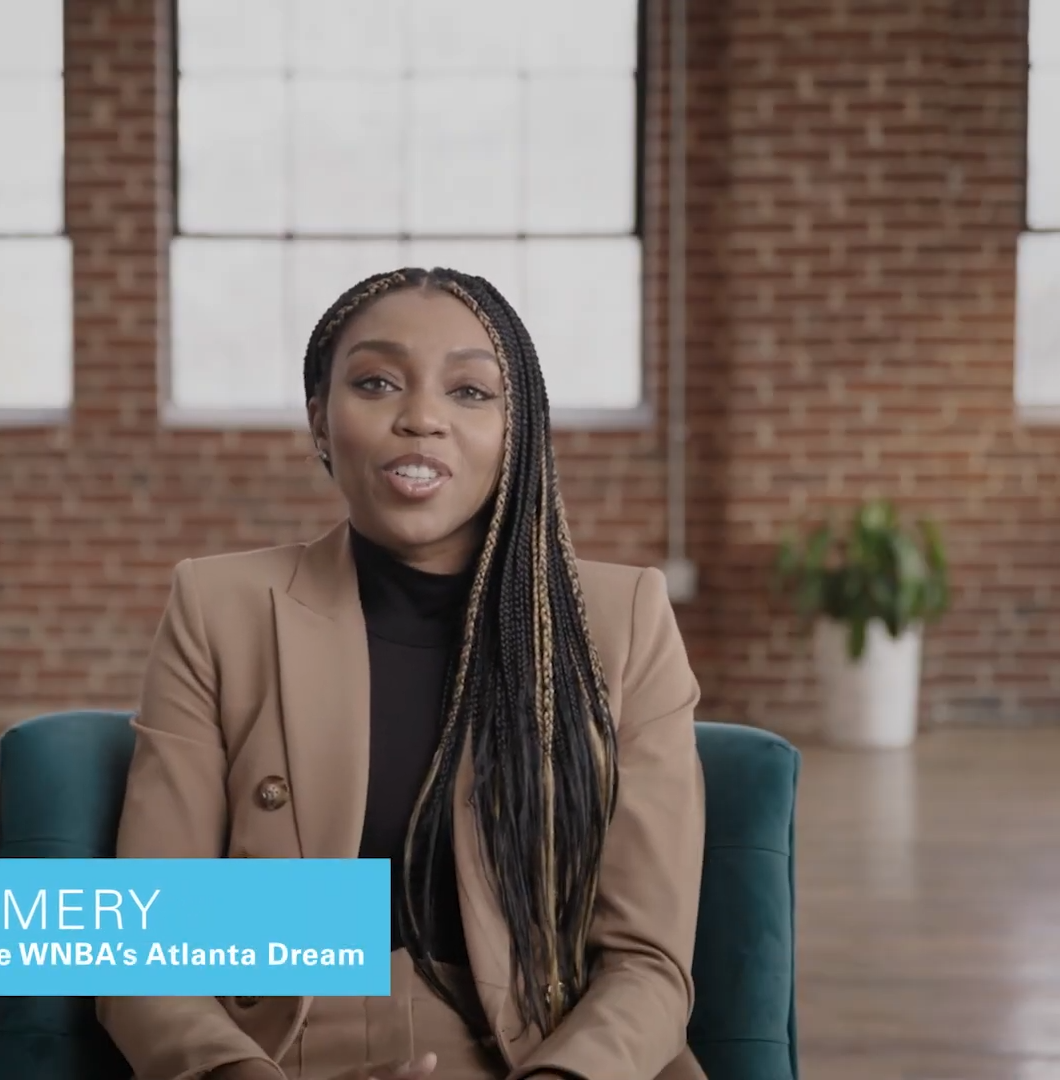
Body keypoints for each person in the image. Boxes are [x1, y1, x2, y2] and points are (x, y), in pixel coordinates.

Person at [95, 268, 708, 1080]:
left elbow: (647, 964)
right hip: (283, 1053)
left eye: (471, 392)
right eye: (376, 382)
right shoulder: (220, 608)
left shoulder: (625, 620)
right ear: (320, 420)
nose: (420, 419)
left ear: (517, 429)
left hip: (554, 1054)